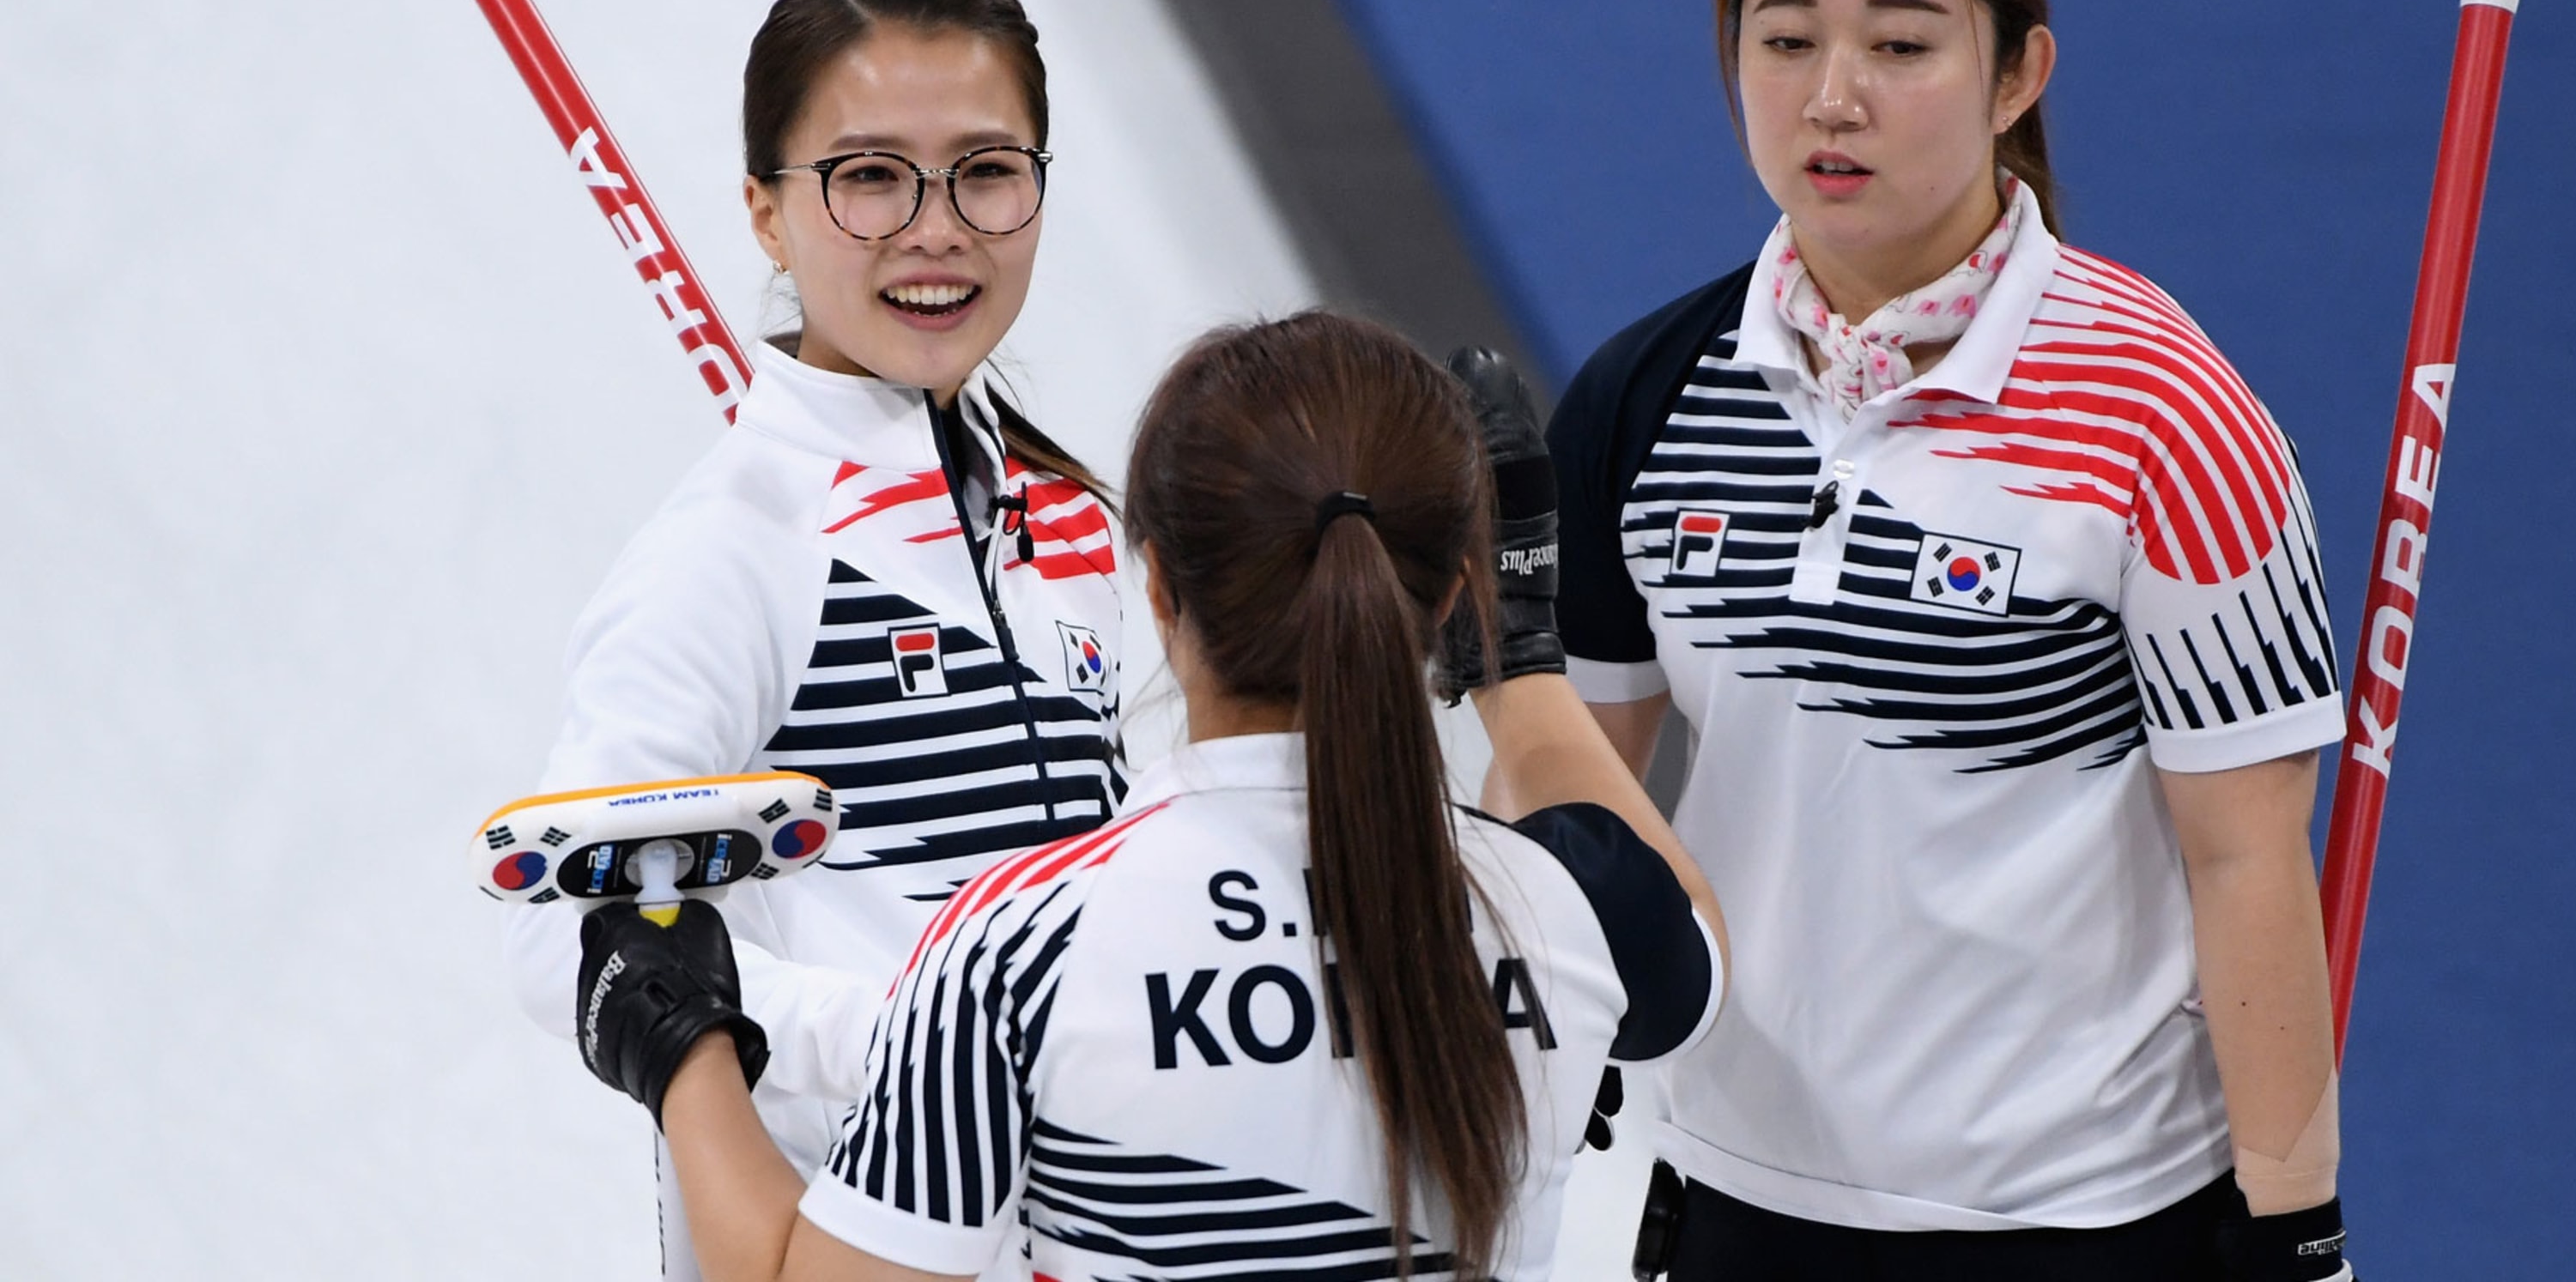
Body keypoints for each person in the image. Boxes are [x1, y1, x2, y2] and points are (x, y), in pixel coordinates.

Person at [1547, 0, 2354, 1279]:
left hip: (2082, 1221)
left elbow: (2248, 862)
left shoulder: (2167, 413)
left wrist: (2296, 1229)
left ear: (2017, 75)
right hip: (1731, 1201)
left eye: (1902, 46)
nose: (1832, 98)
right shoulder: (1644, 395)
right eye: (1785, 41)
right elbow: (1570, 784)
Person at [567, 313, 1730, 1282]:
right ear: (1448, 592)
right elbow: (1692, 953)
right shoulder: (1566, 916)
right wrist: (1519, 658)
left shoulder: (1023, 942)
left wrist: (681, 1042)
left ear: (1158, 589)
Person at [504, 0, 1125, 1279]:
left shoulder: (1076, 521)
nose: (935, 226)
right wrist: (935, 1033)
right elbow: (563, 924)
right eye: (868, 176)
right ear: (766, 213)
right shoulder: (728, 553)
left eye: (988, 169)